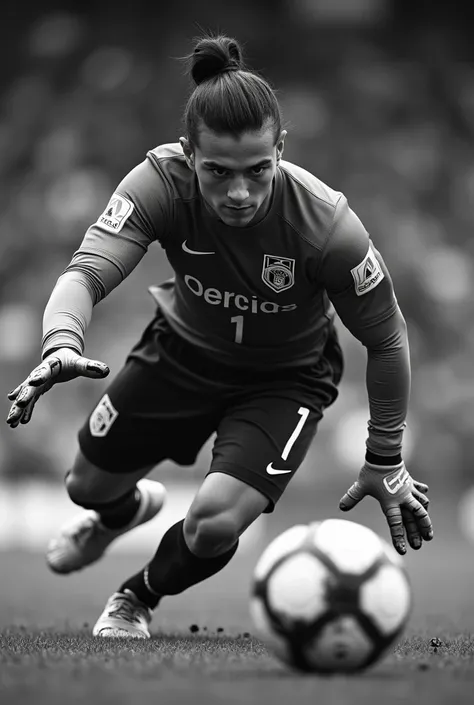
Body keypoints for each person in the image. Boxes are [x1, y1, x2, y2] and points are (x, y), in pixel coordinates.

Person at [6, 34, 433, 639]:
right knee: (86, 487)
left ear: (281, 150)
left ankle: (136, 597)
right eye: (218, 172)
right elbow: (87, 272)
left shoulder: (329, 227)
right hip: (180, 352)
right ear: (188, 153)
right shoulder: (158, 182)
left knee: (212, 523)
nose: (239, 192)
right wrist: (61, 344)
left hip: (286, 381)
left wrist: (385, 455)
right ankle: (124, 511)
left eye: (259, 171)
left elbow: (388, 338)